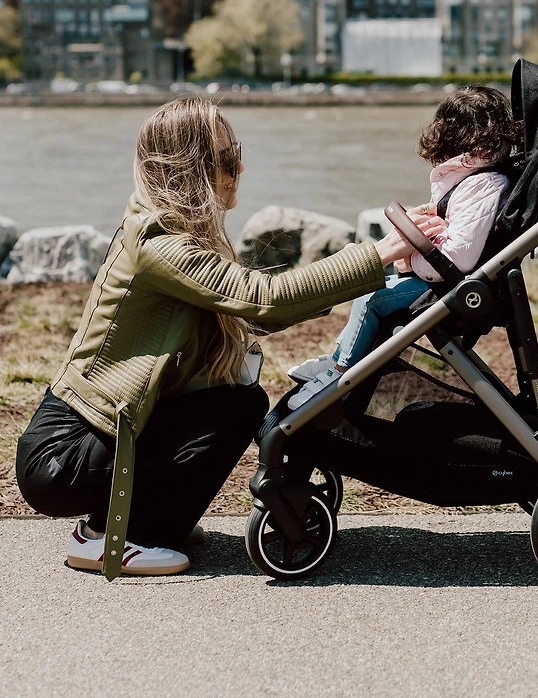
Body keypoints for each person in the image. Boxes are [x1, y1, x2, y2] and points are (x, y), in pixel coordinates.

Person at [14, 95, 443, 580]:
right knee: (236, 405)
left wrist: (373, 277)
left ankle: (145, 517)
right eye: (223, 159)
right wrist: (378, 253)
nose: (238, 166)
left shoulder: (177, 233)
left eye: (235, 152)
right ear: (187, 168)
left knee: (233, 399)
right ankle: (116, 537)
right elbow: (262, 297)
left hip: (96, 438)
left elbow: (255, 315)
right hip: (63, 454)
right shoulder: (157, 243)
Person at [286, 84, 522, 410]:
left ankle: (339, 376)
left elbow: (459, 256)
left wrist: (411, 257)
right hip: (441, 277)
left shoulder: (482, 183)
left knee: (372, 299)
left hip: (450, 284)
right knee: (372, 289)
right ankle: (342, 358)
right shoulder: (472, 177)